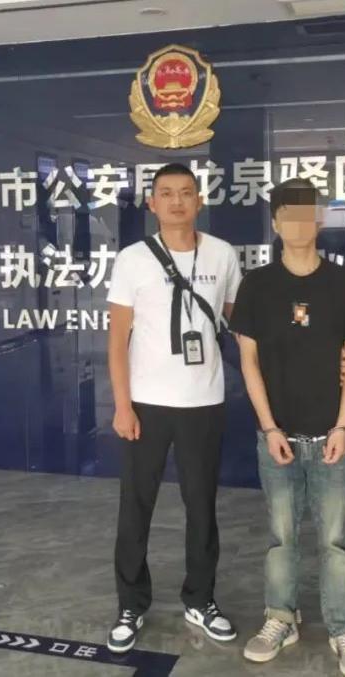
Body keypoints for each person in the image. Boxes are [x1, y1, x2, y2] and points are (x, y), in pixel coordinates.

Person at [230, 178, 345, 677]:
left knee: (335, 542)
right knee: (281, 538)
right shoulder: (257, 285)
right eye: (287, 215)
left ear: (318, 219)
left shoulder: (344, 284)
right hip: (278, 438)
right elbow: (249, 362)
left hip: (331, 436)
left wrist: (343, 427)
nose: (297, 224)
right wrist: (269, 428)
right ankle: (280, 618)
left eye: (305, 213)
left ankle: (342, 629)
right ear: (275, 223)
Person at [105, 162, 242, 653]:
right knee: (135, 506)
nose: (177, 201)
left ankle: (200, 599)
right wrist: (122, 406)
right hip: (146, 404)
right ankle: (130, 604)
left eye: (186, 192)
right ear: (152, 203)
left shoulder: (222, 254)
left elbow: (241, 324)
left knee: (201, 507)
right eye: (167, 193)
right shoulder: (132, 259)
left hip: (203, 401)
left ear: (200, 200)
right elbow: (117, 340)